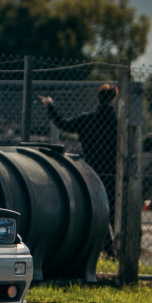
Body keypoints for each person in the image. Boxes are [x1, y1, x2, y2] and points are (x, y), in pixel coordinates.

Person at [38, 84, 119, 218]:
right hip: (113, 169)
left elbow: (63, 124)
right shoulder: (117, 121)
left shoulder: (87, 119)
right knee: (113, 208)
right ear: (112, 100)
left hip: (92, 166)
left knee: (93, 205)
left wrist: (51, 107)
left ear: (99, 99)